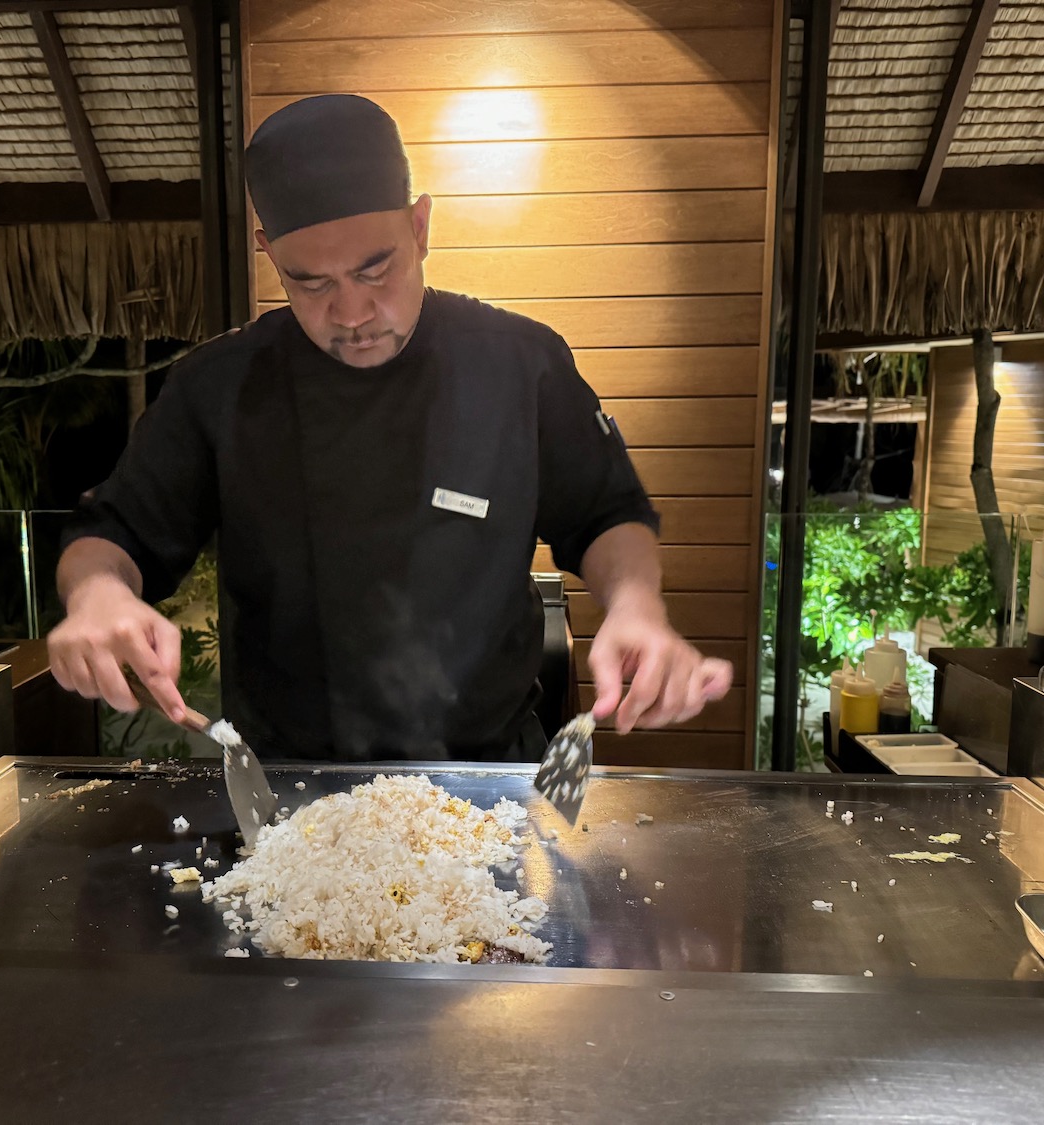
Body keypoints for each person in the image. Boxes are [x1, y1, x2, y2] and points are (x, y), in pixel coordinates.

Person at [48, 94, 732, 761]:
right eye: (311, 282)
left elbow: (606, 512)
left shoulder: (521, 364)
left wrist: (636, 605)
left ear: (421, 227)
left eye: (376, 269)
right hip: (292, 787)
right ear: (268, 251)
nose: (351, 311)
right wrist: (98, 595)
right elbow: (110, 533)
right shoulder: (219, 385)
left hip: (488, 774)